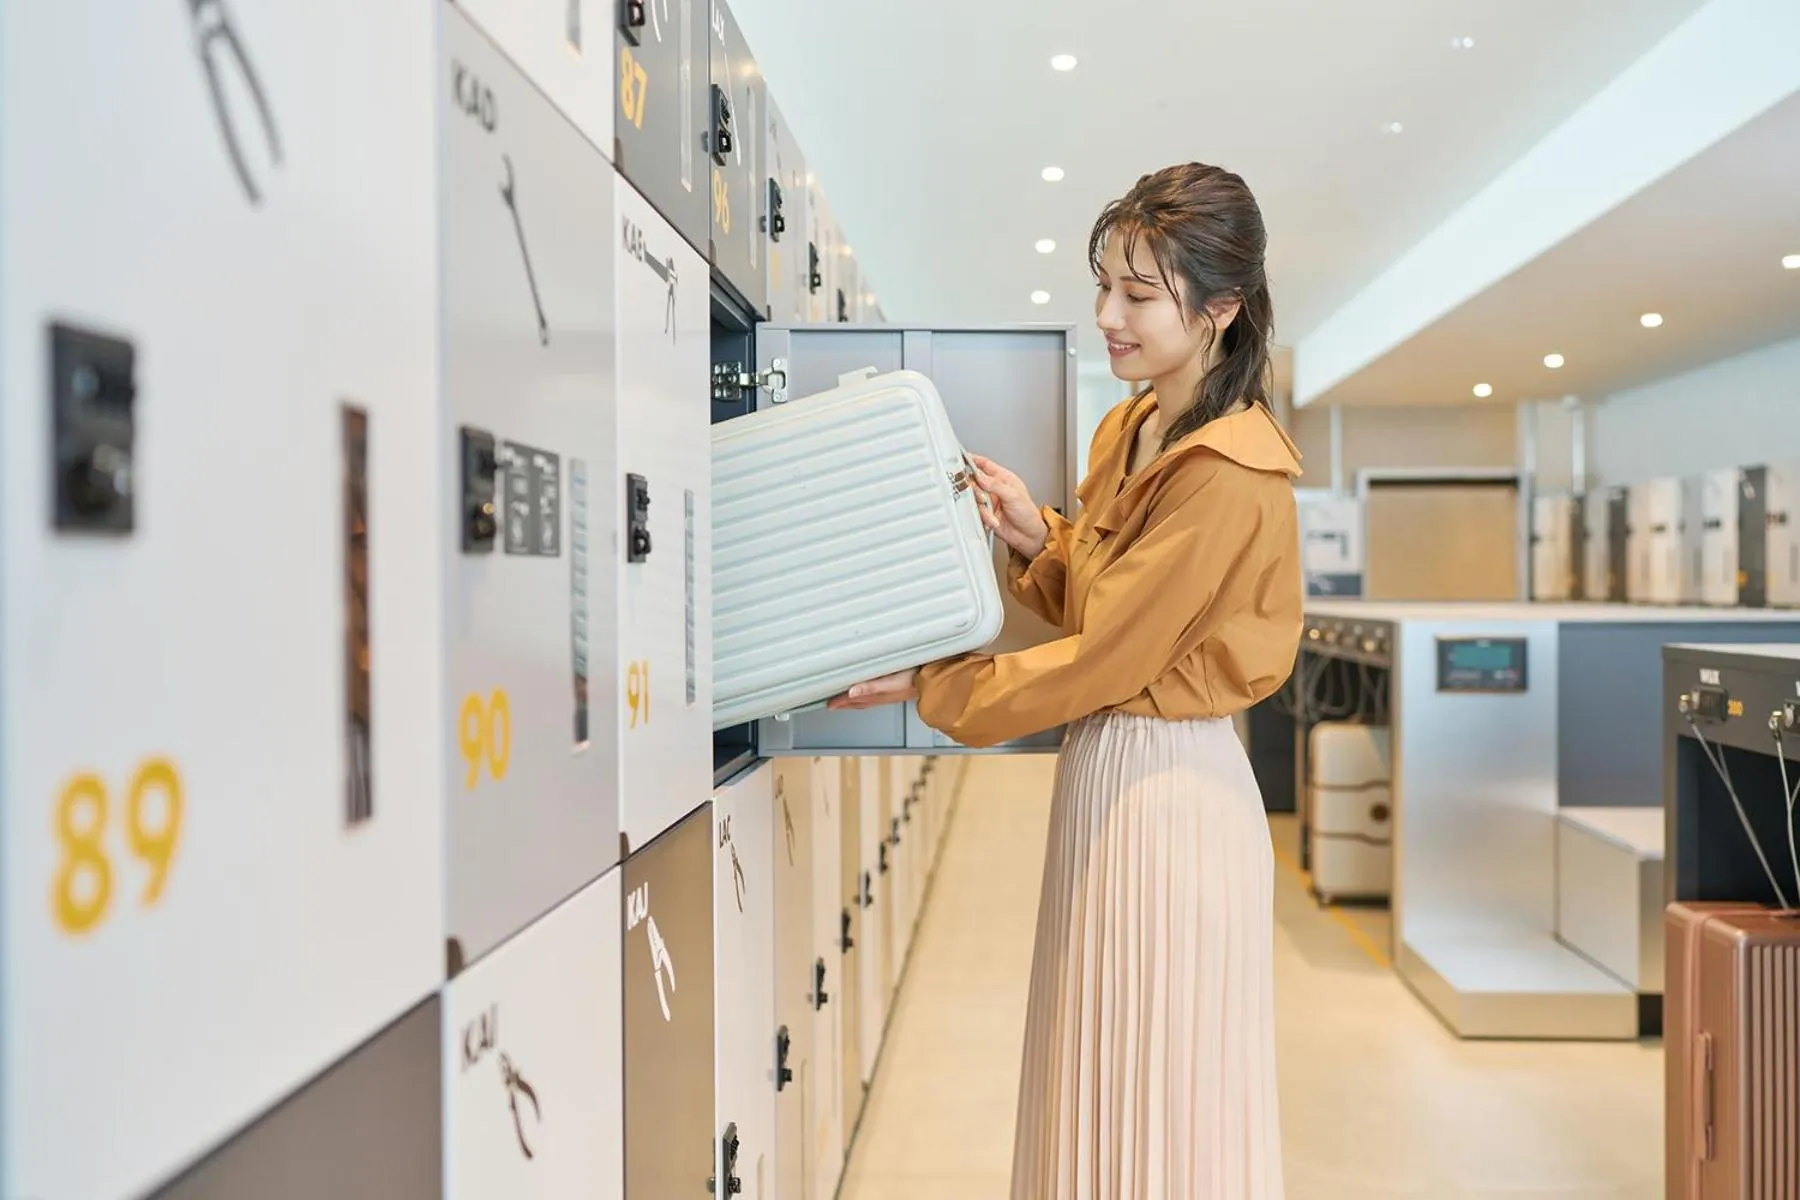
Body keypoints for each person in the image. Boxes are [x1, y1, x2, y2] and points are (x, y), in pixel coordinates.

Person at [828, 162, 1302, 1199]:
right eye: (1104, 287)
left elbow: (1107, 657)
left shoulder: (1230, 470)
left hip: (1170, 794)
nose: (1106, 317)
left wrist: (936, 681)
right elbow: (1108, 599)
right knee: (1096, 1063)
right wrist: (1034, 531)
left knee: (1159, 1091)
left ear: (1220, 308)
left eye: (1138, 294)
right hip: (1108, 769)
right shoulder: (1133, 428)